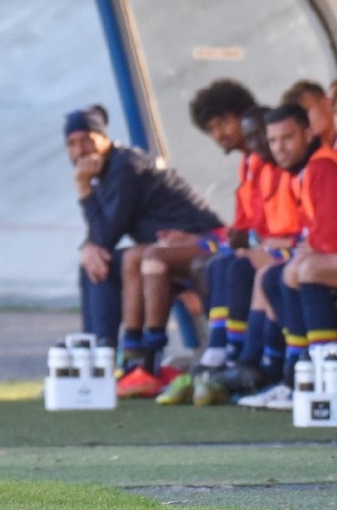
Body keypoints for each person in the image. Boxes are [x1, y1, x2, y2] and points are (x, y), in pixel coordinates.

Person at [64, 105, 222, 398]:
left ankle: (119, 361)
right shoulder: (111, 169)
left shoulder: (125, 168)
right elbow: (101, 237)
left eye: (86, 139)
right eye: (72, 144)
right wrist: (89, 246)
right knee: (103, 263)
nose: (80, 150)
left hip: (199, 245)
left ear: (103, 137)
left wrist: (83, 189)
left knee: (112, 263)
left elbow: (106, 236)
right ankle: (110, 360)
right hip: (163, 250)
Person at [165, 80, 297, 405]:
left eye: (223, 122)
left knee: (238, 266)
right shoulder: (252, 164)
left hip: (294, 249)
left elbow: (289, 224)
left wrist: (251, 241)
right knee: (217, 262)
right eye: (211, 128)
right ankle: (222, 352)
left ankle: (242, 358)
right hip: (273, 246)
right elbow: (244, 224)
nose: (219, 134)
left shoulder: (292, 167)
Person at [241, 103, 337, 411]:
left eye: (288, 138)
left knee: (301, 270)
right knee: (274, 274)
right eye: (274, 140)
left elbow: (335, 238)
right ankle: (295, 379)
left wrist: (304, 249)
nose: (279, 147)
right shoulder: (302, 172)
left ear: (308, 133)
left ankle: (317, 378)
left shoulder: (322, 167)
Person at [282, 79, 335, 147]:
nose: (304, 120)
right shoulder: (313, 153)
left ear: (326, 104)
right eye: (299, 116)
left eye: (306, 111)